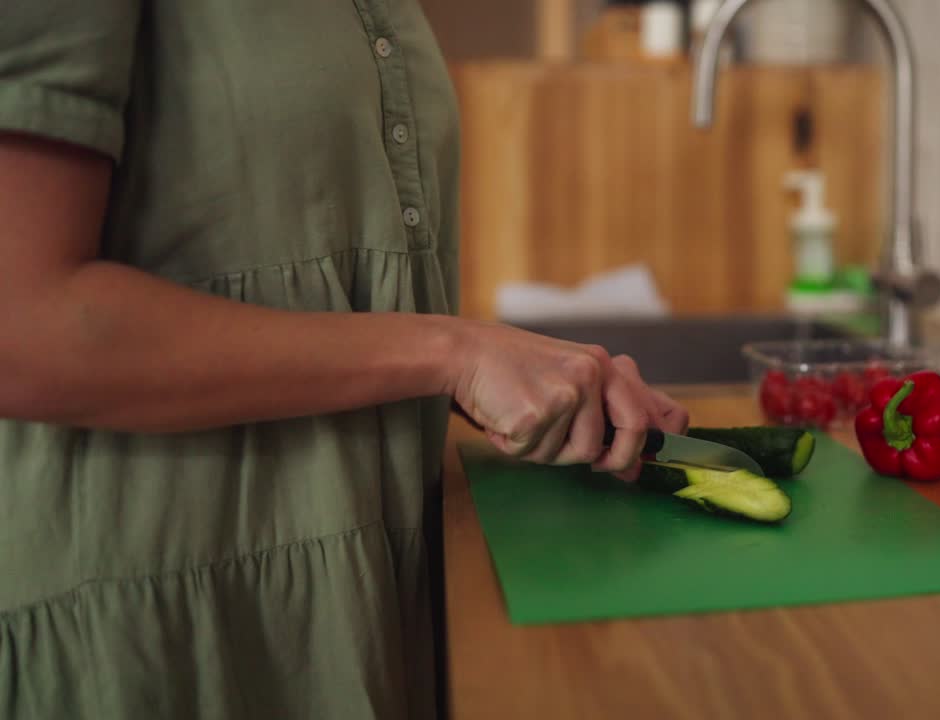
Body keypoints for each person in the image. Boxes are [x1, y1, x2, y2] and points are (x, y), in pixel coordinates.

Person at [0, 2, 689, 718]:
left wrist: (507, 364)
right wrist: (452, 353)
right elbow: (19, 326)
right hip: (144, 627)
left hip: (351, 605)